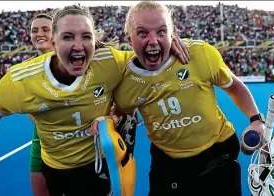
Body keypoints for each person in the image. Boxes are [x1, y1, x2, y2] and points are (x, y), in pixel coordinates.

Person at [0, 4, 189, 196]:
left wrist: (167, 41)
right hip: (55, 167)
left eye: (86, 37)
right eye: (68, 37)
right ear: (53, 41)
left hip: (97, 165)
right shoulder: (21, 81)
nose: (79, 45)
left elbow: (147, 50)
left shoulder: (109, 62)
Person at [109, 1, 265, 196]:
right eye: (142, 33)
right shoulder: (125, 81)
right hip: (168, 162)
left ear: (172, 33)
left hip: (217, 152)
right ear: (129, 38)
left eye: (161, 32)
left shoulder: (200, 55)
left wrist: (256, 119)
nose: (153, 41)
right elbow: (124, 110)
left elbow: (234, 86)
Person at [27, 13, 53, 196]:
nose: (39, 34)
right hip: (41, 141)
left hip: (77, 144)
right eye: (34, 30)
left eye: (45, 29)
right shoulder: (26, 69)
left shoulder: (74, 63)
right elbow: (31, 114)